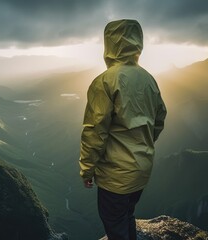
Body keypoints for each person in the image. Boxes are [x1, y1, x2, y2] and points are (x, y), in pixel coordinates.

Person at [79, 19, 167, 240]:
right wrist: (143, 143)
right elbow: (159, 118)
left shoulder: (105, 82)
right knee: (127, 214)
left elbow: (94, 131)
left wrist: (87, 169)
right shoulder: (149, 80)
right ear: (138, 43)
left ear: (109, 44)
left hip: (115, 176)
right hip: (141, 170)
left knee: (114, 223)